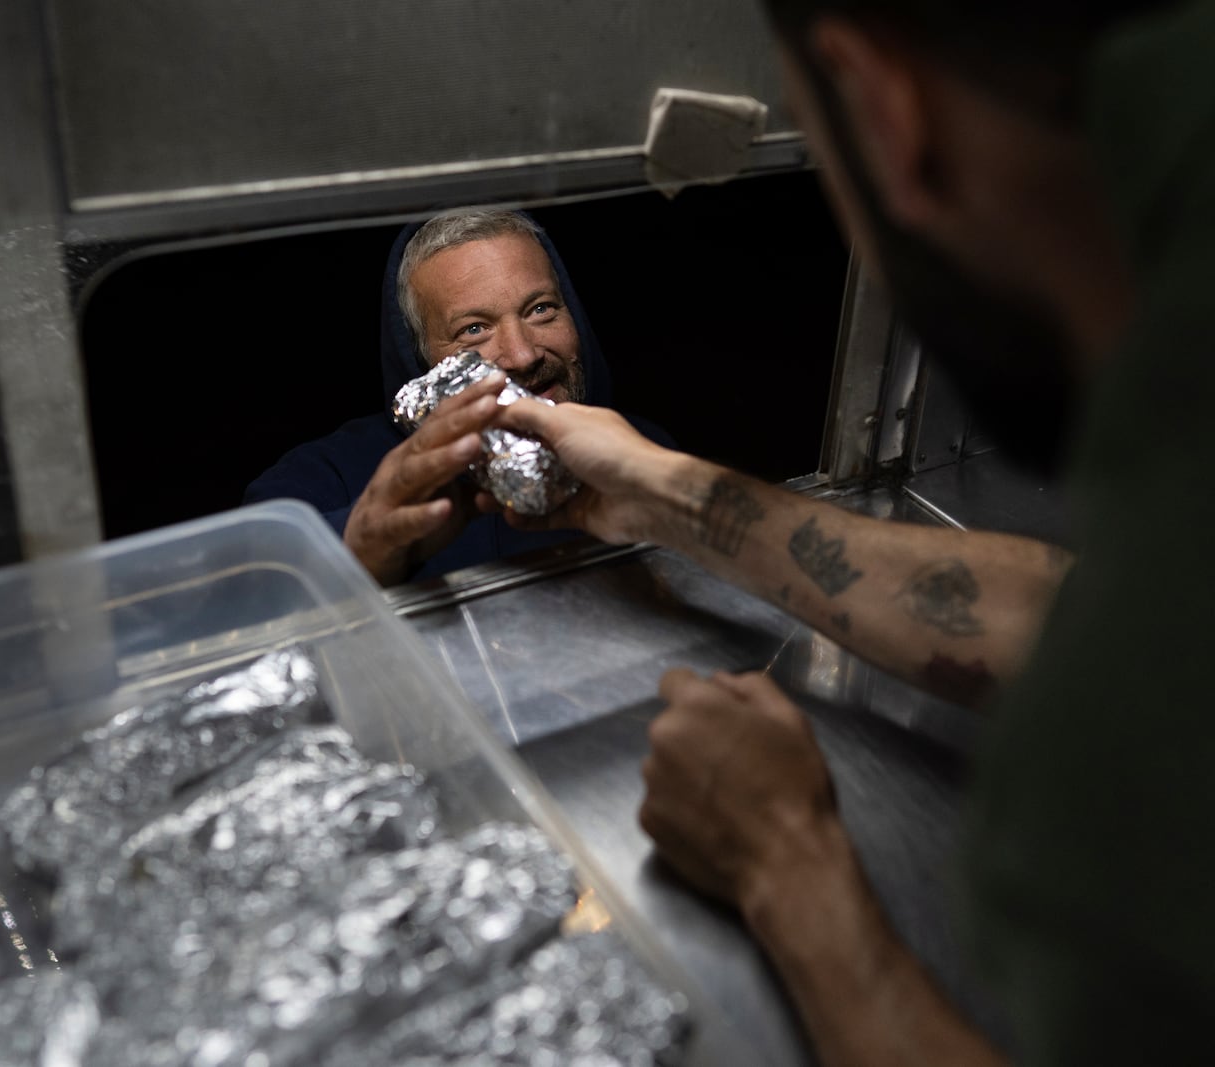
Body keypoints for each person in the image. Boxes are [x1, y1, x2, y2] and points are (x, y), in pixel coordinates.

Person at [477, 0, 1214, 1064]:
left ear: (883, 109)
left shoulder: (1083, 813)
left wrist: (788, 863)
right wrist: (659, 492)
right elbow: (1078, 612)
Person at [242, 209, 675, 586]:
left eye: (540, 309)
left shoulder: (640, 448)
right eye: (474, 329)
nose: (522, 355)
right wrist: (365, 545)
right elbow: (246, 597)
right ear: (420, 357)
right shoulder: (328, 477)